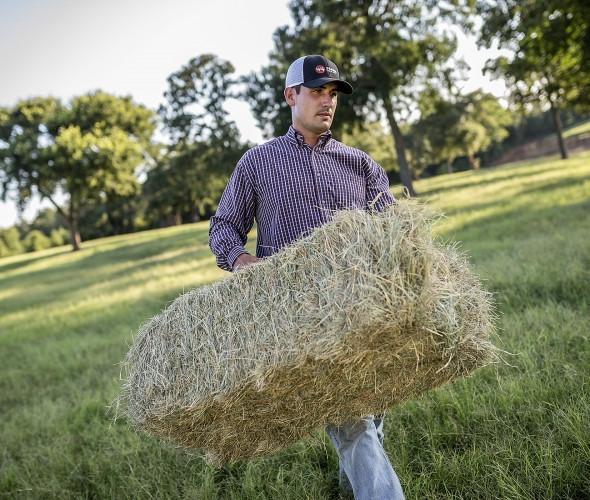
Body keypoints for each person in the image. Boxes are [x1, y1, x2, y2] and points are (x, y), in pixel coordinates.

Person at [209, 54, 404, 500]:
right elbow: (223, 227)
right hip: (300, 317)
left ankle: (351, 486)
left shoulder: (360, 164)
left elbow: (393, 233)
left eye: (332, 93)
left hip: (364, 307)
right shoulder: (258, 163)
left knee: (370, 413)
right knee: (353, 420)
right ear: (290, 96)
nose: (327, 102)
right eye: (317, 91)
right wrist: (242, 261)